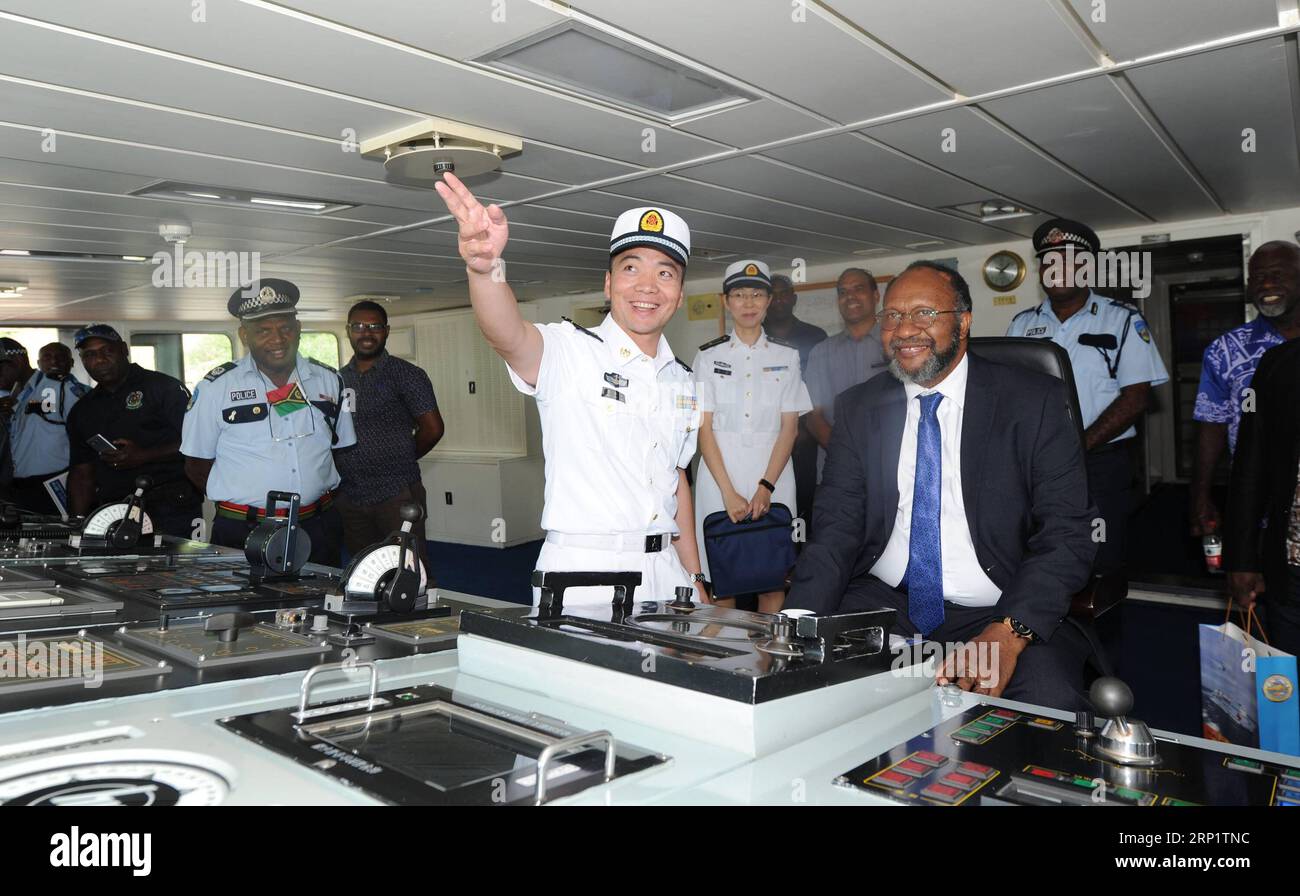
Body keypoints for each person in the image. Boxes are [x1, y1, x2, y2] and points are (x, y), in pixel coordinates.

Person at [786, 261, 1097, 710]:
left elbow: (1068, 532)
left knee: (1046, 706)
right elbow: (836, 526)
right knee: (809, 695)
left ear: (964, 321)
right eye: (892, 316)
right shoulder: (860, 407)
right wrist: (797, 621)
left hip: (1001, 606)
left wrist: (1010, 632)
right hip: (886, 602)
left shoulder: (1033, 402)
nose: (904, 329)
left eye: (924, 314)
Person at [433, 172, 707, 611]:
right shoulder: (569, 351)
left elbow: (677, 480)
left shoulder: (683, 380)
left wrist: (694, 579)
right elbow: (507, 335)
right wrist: (484, 270)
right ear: (608, 283)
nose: (647, 287)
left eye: (665, 273)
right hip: (585, 573)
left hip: (667, 571)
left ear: (678, 294)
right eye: (631, 267)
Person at [1006, 218, 1169, 575]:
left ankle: (1104, 627)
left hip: (1101, 463)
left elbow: (1136, 398)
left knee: (1100, 555)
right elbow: (1012, 393)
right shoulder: (1021, 325)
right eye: (1048, 261)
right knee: (1041, 550)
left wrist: (1079, 444)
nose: (1056, 269)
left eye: (1068, 260)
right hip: (1037, 462)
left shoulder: (1122, 320)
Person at [181, 279, 355, 566]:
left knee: (321, 605)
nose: (277, 339)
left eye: (285, 328)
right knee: (245, 610)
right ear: (244, 335)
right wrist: (247, 500)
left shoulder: (328, 380)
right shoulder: (216, 388)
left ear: (298, 330)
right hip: (243, 529)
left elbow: (340, 451)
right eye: (263, 331)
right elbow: (196, 465)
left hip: (317, 526)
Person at [692, 260, 811, 612]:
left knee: (773, 579)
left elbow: (790, 427)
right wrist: (728, 492)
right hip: (718, 478)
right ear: (726, 301)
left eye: (756, 294)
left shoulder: (787, 356)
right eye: (739, 295)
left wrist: (766, 487)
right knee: (722, 580)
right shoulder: (707, 357)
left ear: (769, 300)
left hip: (773, 476)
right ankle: (724, 662)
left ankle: (768, 660)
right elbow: (704, 427)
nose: (748, 303)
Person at [1190, 241, 1300, 539]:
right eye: (1258, 277)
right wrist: (1201, 495)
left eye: (1278, 274)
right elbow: (1212, 425)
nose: (1266, 284)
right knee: (1261, 584)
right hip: (1259, 505)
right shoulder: (1225, 350)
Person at [65, 324, 202, 538]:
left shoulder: (163, 388)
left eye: (106, 351)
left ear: (123, 349)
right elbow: (82, 474)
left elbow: (199, 443)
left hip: (173, 505)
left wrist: (144, 456)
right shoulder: (83, 410)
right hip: (116, 511)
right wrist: (77, 524)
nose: (99, 360)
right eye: (89, 355)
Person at [336, 300, 444, 564]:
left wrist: (402, 456)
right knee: (363, 570)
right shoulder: (336, 379)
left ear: (386, 331)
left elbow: (433, 429)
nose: (367, 333)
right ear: (348, 330)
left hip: (396, 493)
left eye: (375, 326)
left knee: (408, 568)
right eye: (359, 326)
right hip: (351, 495)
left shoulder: (407, 375)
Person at [1225, 337, 1300, 656]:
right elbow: (1250, 464)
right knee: (1286, 690)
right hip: (1292, 564)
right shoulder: (1280, 363)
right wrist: (1241, 558)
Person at [804, 267, 887, 480]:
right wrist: (846, 455)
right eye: (842, 292)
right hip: (836, 470)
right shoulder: (821, 352)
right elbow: (814, 417)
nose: (850, 296)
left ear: (876, 295)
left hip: (890, 467)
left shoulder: (895, 346)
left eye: (858, 289)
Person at [767, 274, 828, 530]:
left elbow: (822, 390)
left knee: (805, 505)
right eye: (773, 295)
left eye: (784, 294)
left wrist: (805, 429)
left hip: (806, 438)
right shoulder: (755, 336)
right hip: (766, 438)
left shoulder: (815, 336)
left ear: (793, 298)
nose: (779, 300)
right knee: (770, 506)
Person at [1, 338, 88, 514]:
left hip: (53, 485)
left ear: (16, 361)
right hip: (22, 487)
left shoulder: (57, 387)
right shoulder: (22, 392)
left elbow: (85, 433)